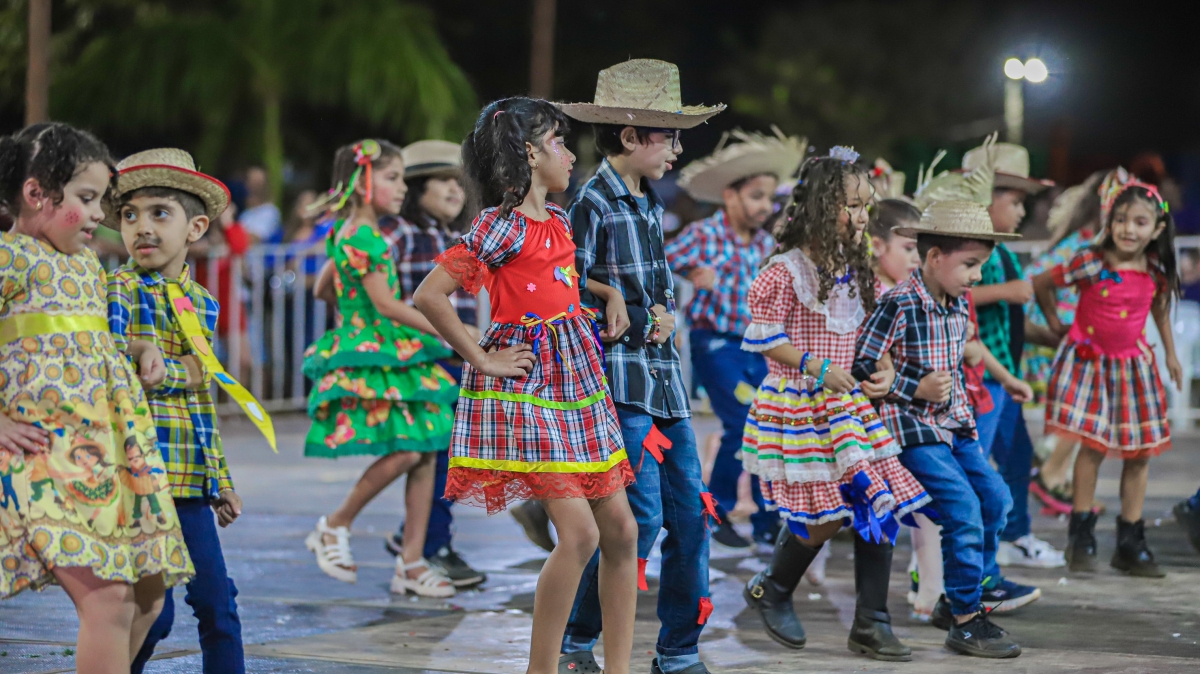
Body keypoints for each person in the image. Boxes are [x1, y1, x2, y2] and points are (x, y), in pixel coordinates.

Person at [413, 97, 638, 674]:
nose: (570, 154)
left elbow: (560, 277)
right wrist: (480, 358)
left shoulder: (557, 219)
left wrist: (607, 292)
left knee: (621, 529)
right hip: (531, 386)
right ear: (530, 154)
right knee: (580, 535)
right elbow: (430, 295)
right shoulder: (500, 225)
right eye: (559, 142)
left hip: (577, 385)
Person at [0, 123, 193, 673]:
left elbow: (80, 336)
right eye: (86, 199)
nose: (97, 215)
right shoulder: (10, 257)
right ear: (37, 193)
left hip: (109, 452)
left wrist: (137, 347)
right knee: (109, 599)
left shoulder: (85, 263)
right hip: (47, 452)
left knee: (149, 596)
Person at [556, 59, 724, 674]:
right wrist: (620, 304)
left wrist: (660, 312)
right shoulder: (591, 203)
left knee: (693, 515)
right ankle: (575, 638)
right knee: (639, 519)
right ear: (630, 136)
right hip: (619, 385)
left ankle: (678, 652)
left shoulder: (648, 202)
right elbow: (563, 288)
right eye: (668, 137)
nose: (677, 150)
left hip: (665, 385)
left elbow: (647, 289)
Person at [738, 148, 931, 662]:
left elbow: (869, 331)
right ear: (822, 207)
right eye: (853, 206)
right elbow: (764, 336)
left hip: (849, 406)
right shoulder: (786, 271)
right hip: (803, 403)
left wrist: (884, 366)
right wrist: (815, 366)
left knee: (878, 502)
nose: (863, 217)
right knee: (824, 512)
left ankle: (872, 621)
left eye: (867, 206)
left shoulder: (856, 268)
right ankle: (774, 587)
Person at [854, 198, 1029, 658]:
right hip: (912, 428)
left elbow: (958, 364)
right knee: (963, 510)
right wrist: (914, 387)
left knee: (996, 499)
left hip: (953, 426)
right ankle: (967, 621)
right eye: (970, 265)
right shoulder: (898, 303)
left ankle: (959, 597)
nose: (978, 275)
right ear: (934, 257)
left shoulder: (957, 304)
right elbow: (862, 364)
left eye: (981, 265)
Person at [102, 149, 246, 673]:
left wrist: (220, 480)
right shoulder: (117, 290)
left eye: (159, 213)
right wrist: (168, 365)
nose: (142, 227)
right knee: (153, 613)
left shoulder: (202, 302)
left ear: (196, 228)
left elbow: (202, 399)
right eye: (129, 214)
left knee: (218, 604)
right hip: (137, 476)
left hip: (188, 481)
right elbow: (110, 363)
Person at [302, 140, 457, 597]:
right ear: (360, 182)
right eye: (392, 178)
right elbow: (387, 305)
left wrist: (352, 311)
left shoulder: (347, 232)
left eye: (402, 179)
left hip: (386, 346)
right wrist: (449, 330)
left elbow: (323, 289)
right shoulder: (365, 237)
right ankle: (336, 523)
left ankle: (412, 562)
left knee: (426, 448)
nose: (401, 188)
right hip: (381, 350)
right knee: (409, 450)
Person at [1034, 172, 1182, 577]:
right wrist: (1055, 323)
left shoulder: (1155, 271)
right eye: (1120, 220)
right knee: (1092, 447)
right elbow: (1044, 283)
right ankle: (1081, 536)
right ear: (1109, 222)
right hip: (1091, 366)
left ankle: (1130, 542)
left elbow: (1159, 310)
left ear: (1157, 229)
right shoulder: (1090, 261)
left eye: (1139, 222)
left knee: (1140, 453)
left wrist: (1171, 354)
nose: (1128, 229)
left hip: (1134, 369)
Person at [665, 128, 805, 549]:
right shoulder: (704, 234)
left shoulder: (766, 244)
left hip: (758, 348)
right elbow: (661, 261)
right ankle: (719, 508)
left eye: (769, 198)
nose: (765, 206)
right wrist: (690, 274)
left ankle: (766, 519)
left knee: (768, 423)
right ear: (730, 196)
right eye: (756, 196)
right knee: (743, 421)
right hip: (716, 345)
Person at [378, 139, 486, 588]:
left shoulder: (457, 239)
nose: (455, 190)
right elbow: (370, 284)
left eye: (459, 182)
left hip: (460, 359)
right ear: (417, 187)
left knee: (460, 455)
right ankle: (430, 545)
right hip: (425, 361)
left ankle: (416, 535)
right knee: (438, 456)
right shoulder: (399, 233)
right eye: (443, 181)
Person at [960, 140, 1064, 570]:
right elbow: (956, 296)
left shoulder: (1001, 250)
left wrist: (1051, 338)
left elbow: (1010, 319)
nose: (1022, 212)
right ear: (987, 198)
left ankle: (1008, 535)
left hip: (1002, 374)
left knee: (1016, 457)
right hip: (982, 377)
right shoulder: (971, 249)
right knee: (984, 462)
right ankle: (993, 542)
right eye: (1016, 202)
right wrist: (1004, 290)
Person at [1023, 171, 1108, 514]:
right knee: (1087, 406)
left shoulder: (1084, 239)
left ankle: (1056, 474)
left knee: (1085, 406)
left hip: (1056, 331)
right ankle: (1051, 474)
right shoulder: (1087, 245)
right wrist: (1058, 327)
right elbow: (1044, 285)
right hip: (1054, 335)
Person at [869, 199, 922, 291]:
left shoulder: (909, 286)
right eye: (909, 248)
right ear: (877, 246)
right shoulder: (865, 289)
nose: (918, 259)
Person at [238, 166, 282, 244]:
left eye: (257, 183)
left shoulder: (270, 211)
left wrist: (229, 225)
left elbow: (255, 239)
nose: (251, 187)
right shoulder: (246, 212)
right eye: (249, 181)